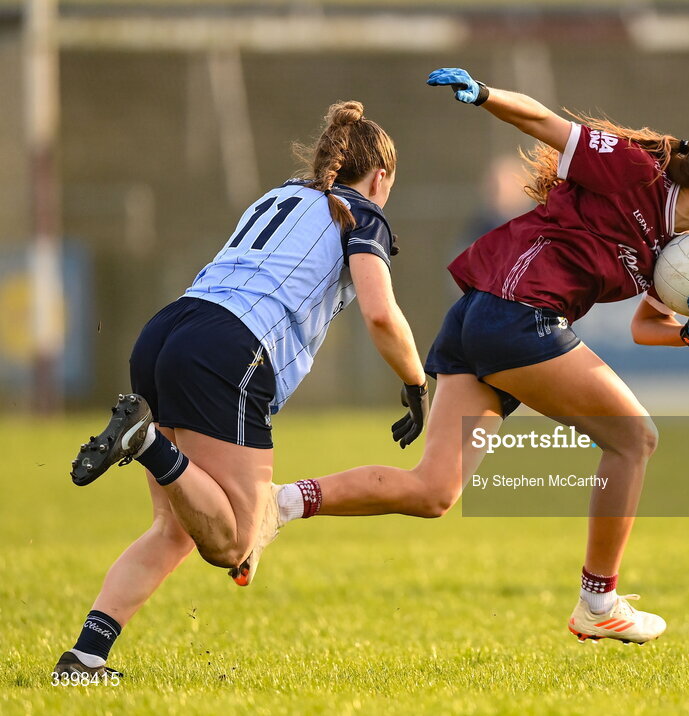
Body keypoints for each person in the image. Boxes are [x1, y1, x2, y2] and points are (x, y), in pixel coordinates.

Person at [255, 68, 689, 645]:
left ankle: (275, 504)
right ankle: (598, 600)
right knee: (634, 438)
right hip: (516, 313)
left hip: (486, 318)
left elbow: (647, 326)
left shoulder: (681, 249)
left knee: (433, 492)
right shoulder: (637, 169)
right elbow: (544, 122)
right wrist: (484, 95)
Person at [53, 100, 429, 679]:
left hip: (168, 329)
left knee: (177, 527)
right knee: (230, 543)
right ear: (380, 177)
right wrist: (414, 383)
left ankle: (84, 658)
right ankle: (146, 439)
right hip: (229, 349)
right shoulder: (361, 212)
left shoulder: (280, 194)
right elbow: (382, 316)